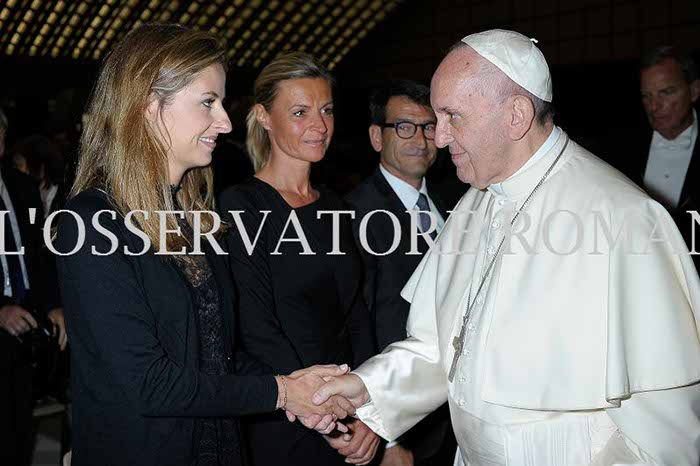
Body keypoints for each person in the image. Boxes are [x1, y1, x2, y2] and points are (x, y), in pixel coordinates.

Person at [312, 29, 700, 465]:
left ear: (516, 115)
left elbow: (666, 424)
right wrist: (368, 387)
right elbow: (445, 346)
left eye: (452, 117)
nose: (438, 139)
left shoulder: (623, 216)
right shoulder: (476, 200)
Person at [55, 24, 352, 466]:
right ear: (151, 106)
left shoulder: (197, 219)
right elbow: (146, 383)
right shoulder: (92, 223)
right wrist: (282, 391)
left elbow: (219, 357)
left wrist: (299, 392)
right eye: (208, 103)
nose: (227, 122)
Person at [219, 52, 380, 466]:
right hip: (284, 414)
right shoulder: (241, 205)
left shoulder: (336, 206)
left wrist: (367, 403)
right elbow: (256, 327)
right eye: (300, 111)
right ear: (264, 117)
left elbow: (357, 314)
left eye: (326, 110)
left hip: (346, 408)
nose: (320, 125)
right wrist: (320, 408)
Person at [345, 80, 455, 466]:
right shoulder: (355, 216)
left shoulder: (451, 202)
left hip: (453, 414)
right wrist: (387, 433)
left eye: (429, 127)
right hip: (402, 424)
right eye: (404, 127)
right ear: (377, 137)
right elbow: (360, 326)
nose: (420, 140)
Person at [0, 108, 67, 466]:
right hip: (4, 317)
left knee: (21, 432)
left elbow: (40, 255)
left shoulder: (22, 186)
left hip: (28, 327)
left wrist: (55, 304)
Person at [633, 47, 699, 266]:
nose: (653, 106)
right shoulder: (622, 147)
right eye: (647, 96)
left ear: (694, 90)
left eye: (666, 92)